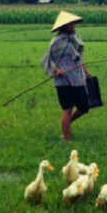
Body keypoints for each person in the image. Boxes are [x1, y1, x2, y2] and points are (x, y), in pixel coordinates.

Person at [41, 11, 91, 141]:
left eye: (74, 24)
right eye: (70, 24)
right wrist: (56, 70)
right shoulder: (56, 41)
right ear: (64, 26)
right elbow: (47, 60)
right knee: (68, 109)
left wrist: (86, 71)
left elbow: (80, 58)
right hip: (63, 80)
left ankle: (68, 124)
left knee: (84, 107)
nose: (73, 26)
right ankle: (66, 139)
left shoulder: (76, 38)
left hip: (78, 78)